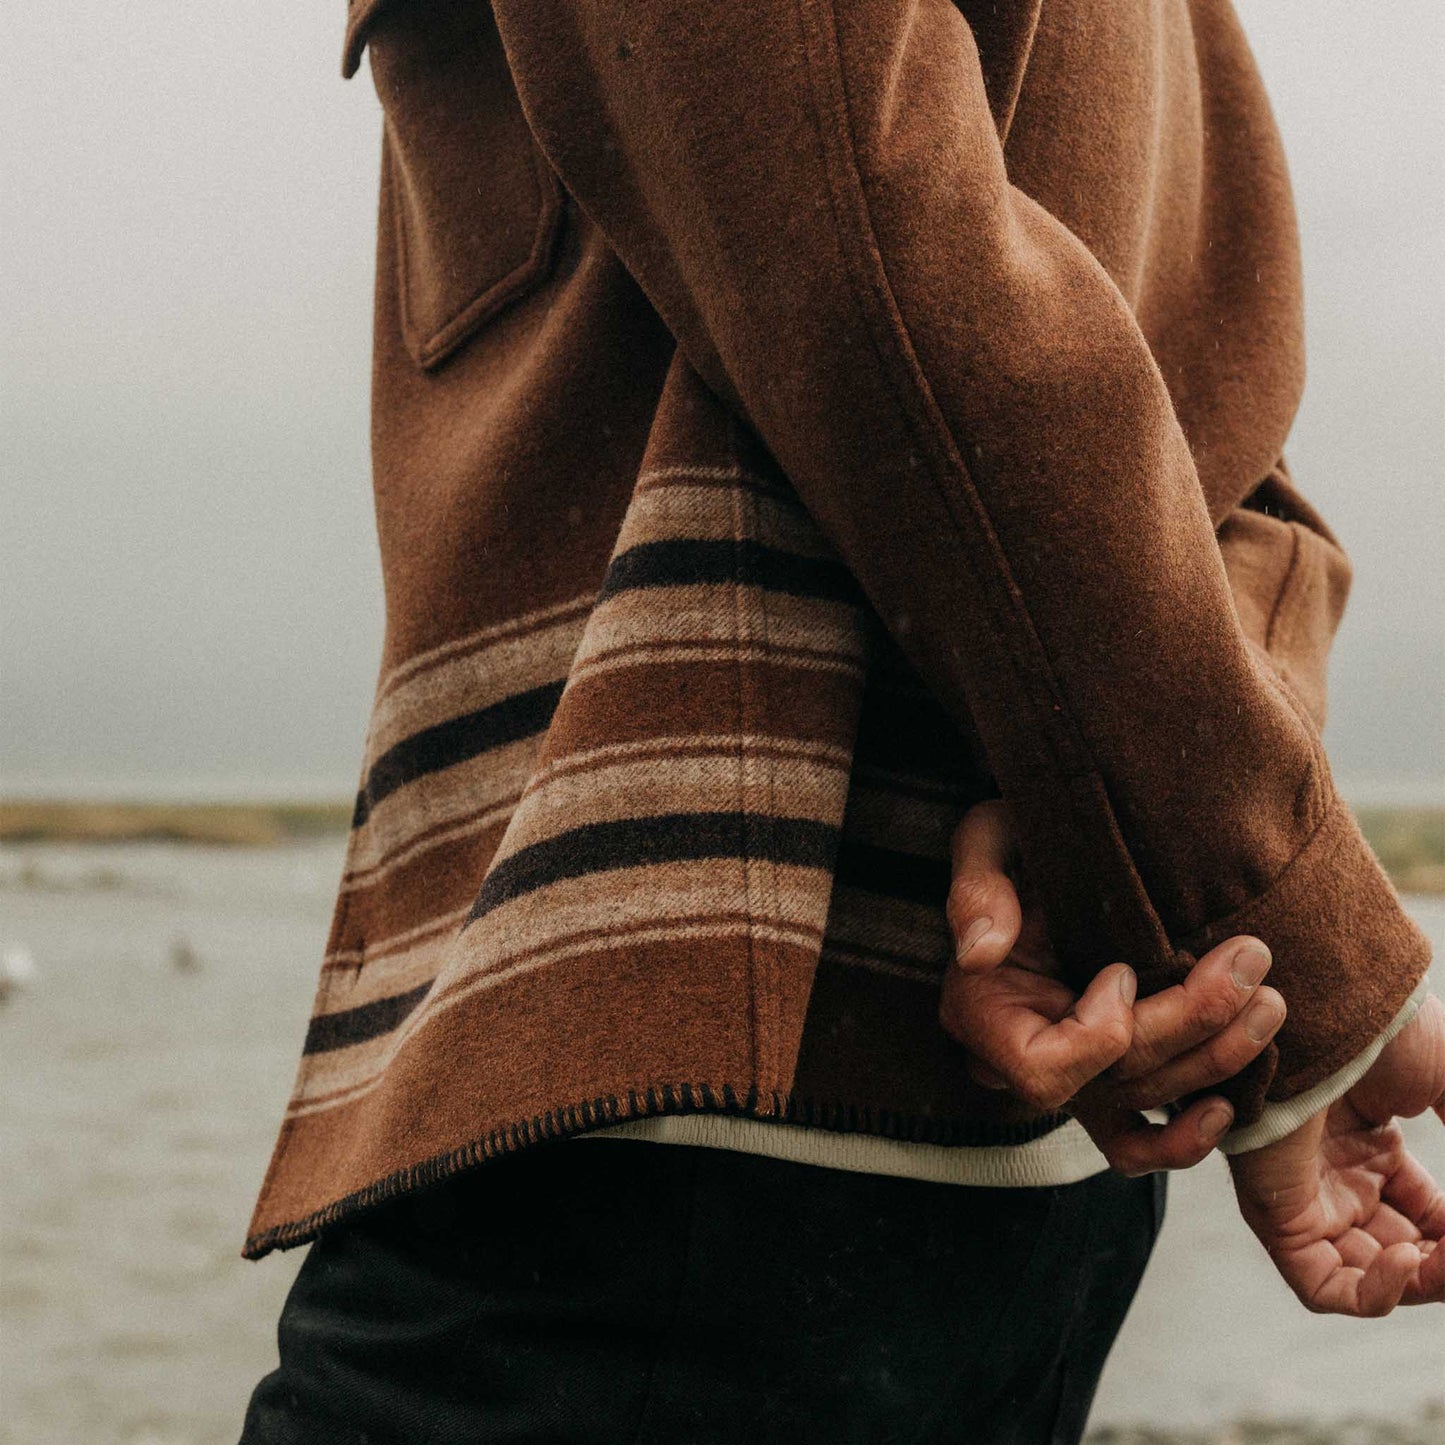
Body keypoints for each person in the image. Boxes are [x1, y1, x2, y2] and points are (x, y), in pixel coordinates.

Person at [239, 0, 1442, 1439]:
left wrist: (1238, 928)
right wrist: (1227, 933)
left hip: (682, 1122)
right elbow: (1228, 475)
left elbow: (862, 238)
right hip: (1009, 1168)